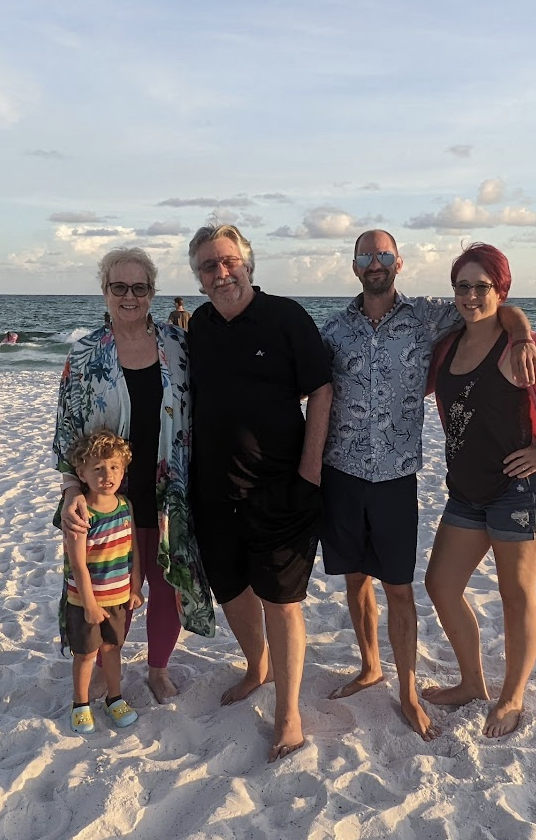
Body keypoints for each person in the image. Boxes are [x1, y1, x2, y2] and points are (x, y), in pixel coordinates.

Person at [318, 229, 536, 741]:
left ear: (398, 263)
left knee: (399, 590)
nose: (375, 263)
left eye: (384, 255)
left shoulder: (428, 315)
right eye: (366, 256)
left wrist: (524, 333)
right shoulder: (333, 331)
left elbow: (493, 306)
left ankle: (407, 691)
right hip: (342, 474)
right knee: (354, 580)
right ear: (354, 266)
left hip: (396, 477)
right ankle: (370, 667)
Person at [422, 243, 536, 738]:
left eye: (481, 287)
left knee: (515, 593)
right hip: (465, 489)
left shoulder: (526, 347)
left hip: (521, 491)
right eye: (461, 286)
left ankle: (512, 696)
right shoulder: (446, 346)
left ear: (500, 290)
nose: (469, 296)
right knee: (440, 585)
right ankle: (470, 682)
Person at [185, 223, 332, 763]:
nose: (220, 273)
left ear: (248, 263)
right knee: (232, 591)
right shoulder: (196, 327)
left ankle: (288, 710)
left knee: (283, 601)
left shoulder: (287, 317)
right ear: (198, 279)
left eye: (228, 262)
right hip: (211, 491)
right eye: (208, 266)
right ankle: (256, 667)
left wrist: (310, 471)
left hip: (281, 487)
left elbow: (321, 388)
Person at [55, 247, 216, 705]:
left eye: (139, 287)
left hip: (170, 491)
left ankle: (158, 670)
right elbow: (66, 430)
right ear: (105, 291)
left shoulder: (177, 345)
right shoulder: (86, 355)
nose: (130, 296)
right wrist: (71, 491)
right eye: (119, 287)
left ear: (152, 292)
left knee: (165, 588)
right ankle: (111, 666)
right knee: (111, 591)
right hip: (107, 496)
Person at [59, 430, 144, 734]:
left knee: (112, 649)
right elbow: (78, 563)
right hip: (86, 601)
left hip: (119, 597)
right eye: (97, 468)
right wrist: (91, 606)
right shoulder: (81, 512)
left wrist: (134, 588)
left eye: (114, 467)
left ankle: (114, 697)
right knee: (85, 655)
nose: (107, 475)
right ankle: (80, 703)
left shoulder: (125, 506)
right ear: (81, 473)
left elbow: (132, 548)